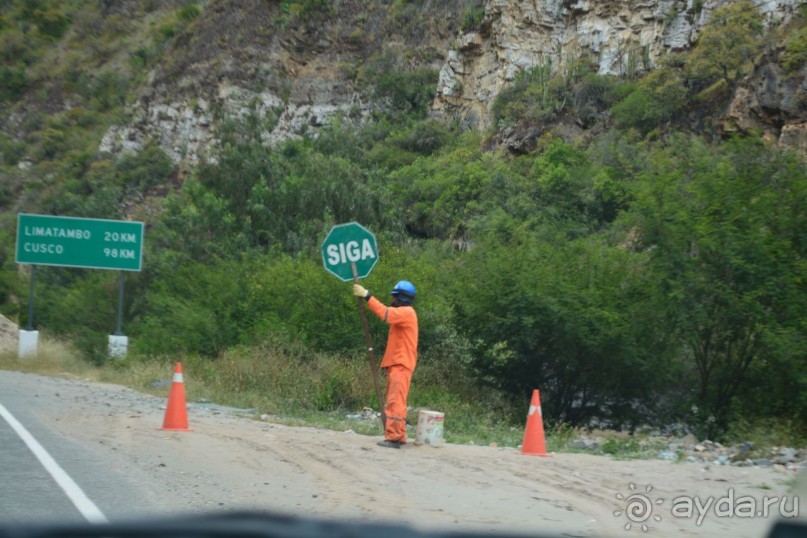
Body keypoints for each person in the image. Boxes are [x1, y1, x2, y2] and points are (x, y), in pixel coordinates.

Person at [352, 280, 418, 449]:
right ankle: (399, 435)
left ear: (402, 298)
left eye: (395, 297)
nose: (392, 299)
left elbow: (385, 313)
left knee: (395, 402)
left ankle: (394, 437)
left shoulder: (406, 313)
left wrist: (367, 296)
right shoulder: (405, 313)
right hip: (399, 364)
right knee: (397, 402)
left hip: (401, 365)